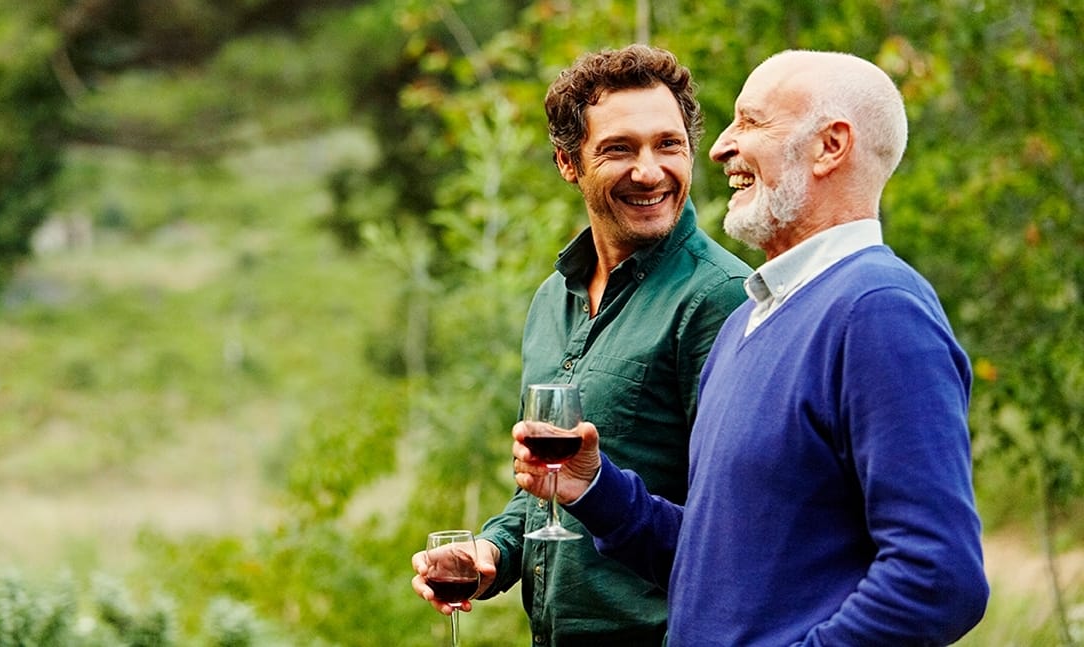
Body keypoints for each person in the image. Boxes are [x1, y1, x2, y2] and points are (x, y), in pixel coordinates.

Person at [510, 49, 990, 646]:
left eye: (752, 122)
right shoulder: (752, 319)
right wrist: (595, 490)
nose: (718, 148)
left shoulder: (878, 308)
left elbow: (939, 578)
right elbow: (714, 568)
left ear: (830, 147)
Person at [411, 44, 750, 645]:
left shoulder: (719, 299)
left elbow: (734, 539)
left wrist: (597, 491)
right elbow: (546, 485)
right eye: (619, 149)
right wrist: (493, 551)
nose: (650, 171)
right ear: (568, 163)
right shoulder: (554, 298)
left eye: (668, 145)